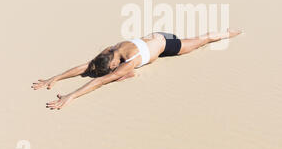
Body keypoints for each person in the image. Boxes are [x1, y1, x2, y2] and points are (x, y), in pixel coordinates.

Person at [32, 29, 242, 110]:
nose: (103, 72)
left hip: (167, 44)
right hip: (154, 36)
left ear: (114, 64)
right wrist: (55, 77)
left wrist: (71, 96)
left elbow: (98, 81)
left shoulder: (128, 61)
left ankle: (232, 32)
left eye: (109, 70)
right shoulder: (110, 51)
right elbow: (87, 67)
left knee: (203, 39)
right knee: (122, 75)